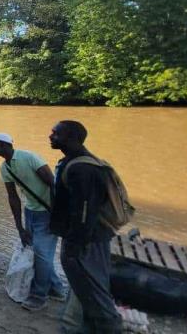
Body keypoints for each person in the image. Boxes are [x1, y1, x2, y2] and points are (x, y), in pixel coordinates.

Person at [49, 120, 122, 333]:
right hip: (86, 237)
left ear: (72, 138)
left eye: (56, 133)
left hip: (87, 241)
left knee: (93, 288)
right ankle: (88, 327)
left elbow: (84, 211)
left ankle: (110, 327)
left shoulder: (83, 168)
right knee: (84, 287)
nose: (51, 136)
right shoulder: (74, 162)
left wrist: (75, 243)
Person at [0, 132, 66, 311]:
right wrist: (19, 227)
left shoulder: (29, 157)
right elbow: (13, 197)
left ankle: (39, 296)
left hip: (47, 212)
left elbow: (52, 184)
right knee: (37, 252)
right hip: (31, 212)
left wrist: (56, 214)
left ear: (4, 145)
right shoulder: (5, 168)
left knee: (42, 255)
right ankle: (57, 290)